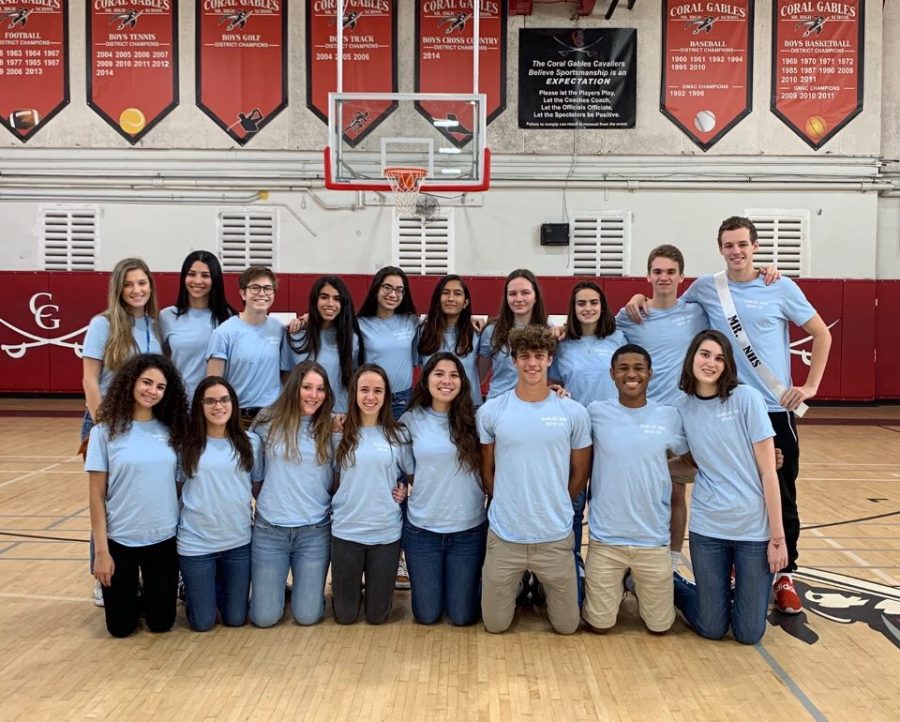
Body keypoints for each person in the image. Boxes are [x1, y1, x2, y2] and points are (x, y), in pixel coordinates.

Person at [627, 218, 831, 613]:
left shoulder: (780, 286)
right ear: (720, 248)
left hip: (772, 408)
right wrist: (638, 297)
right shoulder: (707, 288)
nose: (736, 251)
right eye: (728, 245)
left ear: (755, 246)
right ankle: (740, 568)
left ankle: (785, 573)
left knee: (781, 489)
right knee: (732, 485)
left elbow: (821, 333)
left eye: (742, 244)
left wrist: (811, 386)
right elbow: (666, 303)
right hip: (723, 407)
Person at [670, 330, 786, 644]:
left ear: (727, 365)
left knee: (749, 633)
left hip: (753, 531)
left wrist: (778, 538)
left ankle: (733, 594)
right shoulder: (683, 408)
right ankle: (672, 584)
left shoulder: (746, 399)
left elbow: (769, 474)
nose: (711, 363)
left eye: (719, 358)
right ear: (692, 356)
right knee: (711, 627)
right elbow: (690, 463)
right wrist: (647, 469)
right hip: (709, 528)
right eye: (705, 354)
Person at [477, 326, 591, 635]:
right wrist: (502, 498)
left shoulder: (573, 412)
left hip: (554, 536)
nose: (532, 363)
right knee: (495, 625)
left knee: (568, 627)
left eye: (539, 356)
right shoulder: (491, 411)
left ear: (550, 359)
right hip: (505, 536)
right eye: (524, 356)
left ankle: (536, 583)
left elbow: (581, 471)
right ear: (513, 360)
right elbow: (487, 469)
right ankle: (520, 584)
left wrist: (558, 501)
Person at [582, 344, 687, 635]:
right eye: (623, 368)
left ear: (650, 374)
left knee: (660, 627)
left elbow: (690, 462)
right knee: (599, 626)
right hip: (606, 541)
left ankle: (642, 582)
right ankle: (624, 582)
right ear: (613, 374)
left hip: (652, 541)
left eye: (638, 368)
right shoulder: (595, 413)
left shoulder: (668, 416)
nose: (631, 374)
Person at [615, 246, 708, 572]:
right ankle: (629, 560)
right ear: (648, 275)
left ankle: (669, 561)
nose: (664, 277)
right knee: (636, 491)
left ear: (682, 276)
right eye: (658, 271)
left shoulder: (698, 312)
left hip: (682, 418)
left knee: (675, 494)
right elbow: (601, 337)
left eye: (670, 271)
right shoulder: (631, 315)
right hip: (640, 417)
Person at [85, 353, 189, 637]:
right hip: (120, 541)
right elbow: (96, 496)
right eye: (146, 382)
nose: (152, 391)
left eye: (160, 386)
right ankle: (130, 593)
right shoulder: (104, 432)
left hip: (163, 540)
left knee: (161, 623)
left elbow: (179, 486)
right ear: (131, 382)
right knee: (120, 629)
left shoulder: (171, 430)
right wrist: (102, 553)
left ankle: (147, 594)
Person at [81, 257, 163, 606]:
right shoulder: (102, 324)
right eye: (129, 284)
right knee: (108, 497)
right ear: (118, 288)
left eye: (142, 283)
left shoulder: (157, 326)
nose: (136, 290)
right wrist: (104, 424)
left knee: (140, 494)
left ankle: (142, 575)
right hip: (109, 423)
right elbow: (89, 378)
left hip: (147, 420)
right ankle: (102, 574)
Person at [401, 353, 487, 625]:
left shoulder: (478, 419)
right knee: (426, 615)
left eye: (454, 374)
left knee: (462, 617)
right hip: (423, 531)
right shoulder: (410, 420)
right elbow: (404, 468)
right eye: (439, 373)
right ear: (426, 380)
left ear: (463, 381)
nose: (446, 381)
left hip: (468, 531)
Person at [250, 362, 335, 627]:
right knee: (264, 618)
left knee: (307, 616)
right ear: (294, 388)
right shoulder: (266, 421)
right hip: (269, 530)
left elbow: (336, 481)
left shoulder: (331, 428)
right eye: (307, 387)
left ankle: (300, 592)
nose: (314, 395)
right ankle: (275, 591)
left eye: (320, 389)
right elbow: (256, 478)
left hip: (314, 532)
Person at [177, 377, 262, 632]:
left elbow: (257, 487)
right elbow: (178, 490)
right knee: (202, 623)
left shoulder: (250, 442)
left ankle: (209, 587)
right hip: (196, 544)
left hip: (238, 543)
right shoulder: (187, 445)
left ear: (233, 404)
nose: (219, 406)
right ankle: (191, 588)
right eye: (210, 401)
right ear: (200, 406)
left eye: (224, 400)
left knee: (236, 618)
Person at [331, 364, 412, 624]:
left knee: (377, 617)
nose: (370, 397)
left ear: (387, 396)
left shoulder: (398, 434)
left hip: (385, 534)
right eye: (364, 390)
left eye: (378, 391)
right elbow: (330, 481)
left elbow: (412, 475)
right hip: (346, 532)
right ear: (354, 393)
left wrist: (404, 492)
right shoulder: (338, 434)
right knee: (344, 616)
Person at [206, 266, 285, 428]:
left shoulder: (279, 328)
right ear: (243, 293)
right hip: (238, 418)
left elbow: (287, 375)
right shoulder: (224, 333)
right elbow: (213, 382)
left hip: (274, 417)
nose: (262, 293)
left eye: (268, 288)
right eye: (255, 288)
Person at [159, 251, 237, 401]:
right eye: (192, 274)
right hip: (178, 405)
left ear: (215, 279)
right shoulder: (167, 316)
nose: (197, 280)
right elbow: (155, 363)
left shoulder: (228, 318)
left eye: (205, 275)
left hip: (217, 405)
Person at [282, 275, 363, 416]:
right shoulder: (295, 335)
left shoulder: (351, 339)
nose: (330, 303)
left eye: (337, 299)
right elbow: (286, 379)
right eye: (324, 297)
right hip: (301, 416)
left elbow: (353, 380)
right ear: (315, 300)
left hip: (338, 416)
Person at [356, 267, 419, 419]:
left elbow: (441, 321)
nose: (393, 294)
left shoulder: (412, 321)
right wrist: (307, 318)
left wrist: (469, 318)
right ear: (376, 289)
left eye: (399, 290)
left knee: (400, 442)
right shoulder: (359, 324)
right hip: (371, 398)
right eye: (387, 287)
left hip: (403, 399)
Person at [478, 269, 549, 401]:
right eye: (512, 294)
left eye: (525, 293)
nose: (518, 299)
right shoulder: (491, 331)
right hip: (498, 406)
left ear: (535, 297)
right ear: (506, 298)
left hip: (534, 407)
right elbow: (479, 376)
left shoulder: (549, 332)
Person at [417, 275, 483, 408]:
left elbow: (482, 372)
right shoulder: (422, 331)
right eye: (445, 293)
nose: (451, 298)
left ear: (465, 302)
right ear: (437, 299)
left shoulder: (477, 332)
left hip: (467, 407)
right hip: (431, 408)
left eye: (457, 293)